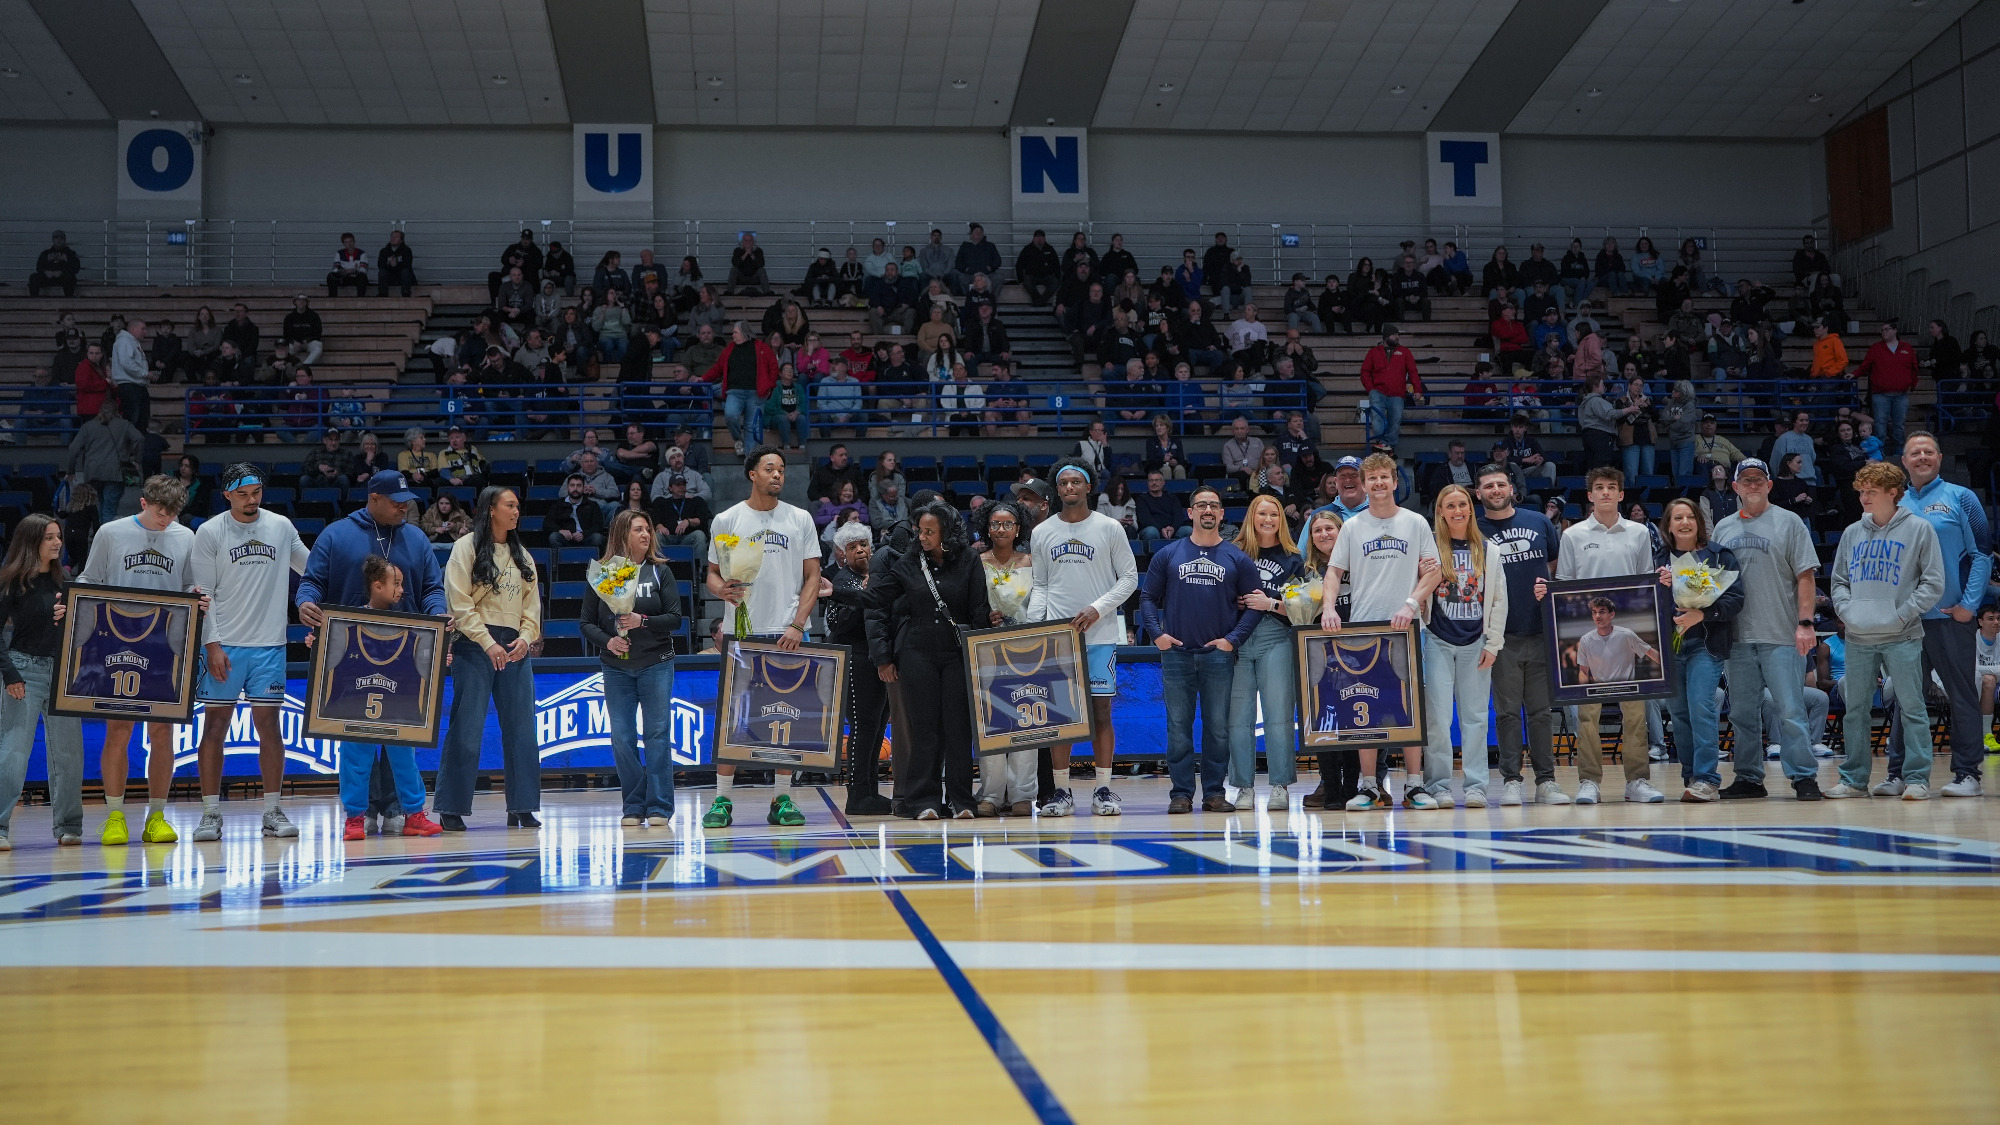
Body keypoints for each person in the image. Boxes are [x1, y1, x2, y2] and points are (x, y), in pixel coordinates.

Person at [76, 475, 202, 844]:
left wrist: (199, 596)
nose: (166, 520)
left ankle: (157, 817)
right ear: (144, 503)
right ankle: (115, 815)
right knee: (119, 729)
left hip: (165, 645)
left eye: (173, 513)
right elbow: (90, 578)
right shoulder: (111, 533)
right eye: (160, 512)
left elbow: (190, 588)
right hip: (115, 641)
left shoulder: (186, 537)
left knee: (163, 733)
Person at [187, 465, 311, 842]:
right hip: (225, 644)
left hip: (269, 645)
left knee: (270, 730)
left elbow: (312, 569)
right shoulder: (209, 532)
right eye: (243, 494)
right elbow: (202, 596)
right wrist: (212, 645)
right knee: (214, 729)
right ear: (227, 495)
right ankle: (210, 813)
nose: (251, 500)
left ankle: (272, 810)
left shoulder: (281, 526)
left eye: (256, 492)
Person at [703, 446, 822, 828]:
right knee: (734, 719)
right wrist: (721, 590)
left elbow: (814, 576)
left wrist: (799, 624)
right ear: (751, 474)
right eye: (769, 469)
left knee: (785, 719)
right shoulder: (726, 519)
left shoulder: (800, 518)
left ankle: (782, 798)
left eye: (782, 470)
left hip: (787, 632)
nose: (777, 475)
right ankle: (722, 801)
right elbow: (711, 574)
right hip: (742, 632)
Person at [1319, 453, 1441, 810]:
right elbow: (1333, 572)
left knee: (1409, 709)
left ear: (1394, 480)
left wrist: (1411, 603)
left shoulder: (1416, 522)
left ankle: (1415, 785)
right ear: (1364, 483)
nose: (1378, 484)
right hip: (1363, 626)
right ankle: (1369, 785)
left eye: (1384, 477)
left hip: (1405, 626)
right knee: (1365, 706)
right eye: (1371, 479)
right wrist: (1328, 608)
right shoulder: (1354, 527)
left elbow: (1434, 572)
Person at [854, 500, 990, 819]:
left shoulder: (969, 559)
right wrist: (835, 593)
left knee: (958, 728)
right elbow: (877, 597)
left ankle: (961, 800)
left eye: (930, 531)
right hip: (917, 651)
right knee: (924, 728)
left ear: (947, 533)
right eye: (920, 530)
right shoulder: (910, 561)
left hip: (957, 652)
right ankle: (923, 800)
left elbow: (979, 609)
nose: (923, 536)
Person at [1027, 461, 1141, 816]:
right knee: (1060, 716)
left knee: (1101, 711)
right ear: (1057, 490)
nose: (1070, 487)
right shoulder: (1042, 531)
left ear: (1088, 487)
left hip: (1101, 634)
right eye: (1064, 482)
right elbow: (1041, 586)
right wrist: (1036, 627)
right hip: (1058, 637)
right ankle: (1062, 791)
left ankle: (1103, 788)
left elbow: (1129, 579)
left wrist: (1097, 609)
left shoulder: (1109, 528)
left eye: (1077, 481)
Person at [1827, 460, 1946, 799]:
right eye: (1862, 491)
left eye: (1871, 492)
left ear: (1893, 493)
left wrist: (1902, 614)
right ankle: (1853, 780)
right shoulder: (1852, 533)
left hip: (1902, 634)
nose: (1864, 497)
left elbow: (1933, 583)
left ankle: (1917, 779)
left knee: (1912, 708)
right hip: (1858, 637)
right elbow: (1838, 582)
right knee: (1856, 711)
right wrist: (1848, 613)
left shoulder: (1920, 529)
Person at [1709, 458, 1825, 801]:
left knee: (1790, 710)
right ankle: (1748, 777)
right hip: (1737, 638)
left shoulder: (1790, 523)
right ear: (1736, 487)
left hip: (1781, 634)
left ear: (1770, 485)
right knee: (1743, 714)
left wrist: (1805, 623)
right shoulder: (1722, 528)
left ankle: (1804, 776)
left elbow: (1806, 577)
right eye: (1746, 480)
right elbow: (1712, 581)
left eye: (1759, 479)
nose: (1753, 485)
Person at [1142, 484, 1260, 814]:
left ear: (1222, 514)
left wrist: (1232, 640)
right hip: (1177, 654)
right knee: (1178, 729)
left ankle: (1214, 793)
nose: (1208, 510)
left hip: (1218, 657)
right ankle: (1180, 793)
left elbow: (1255, 605)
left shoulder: (1238, 558)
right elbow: (1148, 598)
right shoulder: (1168, 554)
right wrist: (1157, 635)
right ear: (1190, 512)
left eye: (1214, 505)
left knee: (1217, 730)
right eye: (1201, 505)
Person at [1889, 433, 1992, 796]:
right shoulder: (1894, 502)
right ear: (1904, 461)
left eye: (1928, 452)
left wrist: (1969, 604)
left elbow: (1981, 553)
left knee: (1962, 694)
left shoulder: (1962, 497)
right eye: (1914, 453)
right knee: (1907, 696)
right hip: (1906, 620)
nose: (1921, 457)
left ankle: (1968, 774)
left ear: (1940, 457)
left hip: (1951, 616)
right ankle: (1899, 773)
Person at [1553, 467, 1663, 803]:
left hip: (1627, 630)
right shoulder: (1572, 535)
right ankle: (1589, 781)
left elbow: (1646, 583)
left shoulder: (1638, 533)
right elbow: (1565, 586)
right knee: (1587, 714)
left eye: (1611, 487)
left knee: (1635, 713)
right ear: (1589, 495)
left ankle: (1637, 781)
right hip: (1588, 632)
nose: (1604, 493)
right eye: (1598, 487)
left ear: (1620, 494)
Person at [435, 486, 542, 831]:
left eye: (518, 506)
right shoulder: (464, 548)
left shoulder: (523, 555)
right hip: (473, 645)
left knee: (522, 730)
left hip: (515, 648)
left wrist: (526, 639)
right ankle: (451, 807)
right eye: (509, 505)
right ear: (491, 510)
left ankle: (522, 807)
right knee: (466, 729)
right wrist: (486, 641)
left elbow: (533, 608)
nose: (516, 511)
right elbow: (458, 602)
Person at [312, 556, 442, 841]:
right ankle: (355, 818)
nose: (401, 590)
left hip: (397, 706)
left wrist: (440, 651)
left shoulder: (412, 623)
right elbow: (330, 655)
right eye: (395, 584)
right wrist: (318, 642)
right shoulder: (346, 621)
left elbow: (423, 659)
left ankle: (414, 814)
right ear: (377, 585)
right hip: (357, 706)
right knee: (355, 759)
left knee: (405, 759)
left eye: (402, 584)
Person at [579, 512, 683, 828]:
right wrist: (609, 642)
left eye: (648, 529)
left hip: (657, 663)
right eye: (638, 529)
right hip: (616, 668)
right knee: (622, 737)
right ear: (623, 534)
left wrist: (643, 621)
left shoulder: (660, 572)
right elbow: (586, 623)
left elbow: (676, 618)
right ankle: (634, 804)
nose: (645, 534)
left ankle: (660, 806)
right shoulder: (604, 573)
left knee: (657, 735)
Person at [1420, 484, 1508, 808]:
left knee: (1475, 719)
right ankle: (1438, 785)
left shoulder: (1490, 550)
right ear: (1440, 511)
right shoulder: (1428, 547)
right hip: (1437, 640)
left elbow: (1498, 600)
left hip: (1476, 642)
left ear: (1471, 509)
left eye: (1462, 504)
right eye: (1450, 505)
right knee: (1438, 719)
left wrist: (1493, 643)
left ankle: (1476, 786)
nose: (1457, 510)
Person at [0, 515, 83, 850]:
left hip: (63, 675)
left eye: (59, 536)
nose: (57, 543)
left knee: (68, 755)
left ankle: (68, 826)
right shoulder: (11, 580)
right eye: (49, 537)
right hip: (24, 670)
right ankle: (1, 827)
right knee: (13, 753)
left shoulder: (65, 582)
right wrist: (10, 675)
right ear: (31, 540)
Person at [1656, 499, 1744, 803]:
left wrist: (1703, 614)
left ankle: (1708, 779)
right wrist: (1658, 586)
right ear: (1668, 525)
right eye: (1677, 517)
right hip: (1669, 647)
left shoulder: (1719, 556)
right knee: (1679, 714)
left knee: (1701, 708)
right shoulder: (1656, 559)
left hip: (1706, 645)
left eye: (1690, 516)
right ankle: (1691, 775)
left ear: (1699, 522)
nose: (1684, 522)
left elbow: (1735, 600)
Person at [1226, 494, 1302, 811]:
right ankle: (1243, 787)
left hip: (1276, 636)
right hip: (1239, 639)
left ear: (1281, 519)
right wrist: (1236, 602)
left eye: (1273, 514)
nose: (1268, 519)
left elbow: (1303, 610)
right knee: (1238, 719)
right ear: (1251, 517)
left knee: (1279, 717)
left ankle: (1280, 785)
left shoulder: (1294, 558)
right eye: (1262, 513)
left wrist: (1268, 603)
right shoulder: (1233, 552)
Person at [700, 322, 778, 458]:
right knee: (730, 415)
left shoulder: (762, 348)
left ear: (743, 332)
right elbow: (718, 368)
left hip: (756, 393)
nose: (732, 335)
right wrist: (703, 378)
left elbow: (773, 367)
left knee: (752, 427)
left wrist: (770, 386)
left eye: (735, 332)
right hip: (734, 392)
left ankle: (750, 459)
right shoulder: (730, 349)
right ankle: (737, 439)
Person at [65, 401, 142, 526]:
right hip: (115, 472)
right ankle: (106, 539)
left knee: (100, 506)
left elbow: (73, 448)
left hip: (93, 472)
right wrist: (136, 459)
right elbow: (139, 439)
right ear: (117, 411)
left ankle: (100, 535)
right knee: (109, 509)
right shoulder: (124, 425)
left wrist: (70, 470)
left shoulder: (88, 426)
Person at [1854, 322, 1919, 449]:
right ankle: (1879, 451)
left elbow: (1914, 368)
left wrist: (1913, 383)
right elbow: (1865, 366)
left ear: (1895, 330)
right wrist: (1854, 374)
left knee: (1899, 425)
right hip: (1881, 394)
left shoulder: (1907, 348)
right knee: (1880, 424)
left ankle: (1899, 450)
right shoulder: (1875, 348)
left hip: (1901, 394)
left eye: (1887, 329)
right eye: (1882, 330)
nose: (1884, 332)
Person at [1359, 325, 1423, 449]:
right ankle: (1384, 445)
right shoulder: (1373, 352)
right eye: (1395, 335)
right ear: (1386, 336)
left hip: (1397, 393)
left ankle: (1386, 446)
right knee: (1378, 420)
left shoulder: (1405, 352)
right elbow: (1365, 371)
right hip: (1378, 392)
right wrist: (1370, 388)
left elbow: (1413, 372)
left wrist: (1417, 389)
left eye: (1398, 335)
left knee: (1395, 421)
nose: (1397, 337)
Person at [547, 473, 606, 550]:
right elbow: (548, 523)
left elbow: (598, 525)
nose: (575, 488)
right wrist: (560, 531)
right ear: (567, 487)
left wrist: (583, 534)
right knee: (554, 537)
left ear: (583, 488)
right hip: (566, 539)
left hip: (586, 539)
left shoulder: (592, 505)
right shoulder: (558, 505)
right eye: (572, 485)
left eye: (579, 485)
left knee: (597, 538)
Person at [29, 229, 80, 296]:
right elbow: (39, 267)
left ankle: (68, 302)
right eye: (56, 238)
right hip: (48, 277)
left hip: (62, 278)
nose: (58, 240)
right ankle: (34, 302)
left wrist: (62, 272)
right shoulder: (45, 253)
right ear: (53, 240)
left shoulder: (71, 253)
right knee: (33, 277)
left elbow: (76, 268)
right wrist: (46, 272)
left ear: (64, 240)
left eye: (61, 238)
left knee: (70, 279)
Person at [376, 229, 415, 297]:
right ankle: (382, 294)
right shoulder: (384, 251)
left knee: (405, 271)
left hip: (401, 277)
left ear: (401, 240)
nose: (393, 238)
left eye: (396, 237)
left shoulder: (406, 250)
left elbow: (408, 264)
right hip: (390, 278)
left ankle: (406, 293)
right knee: (382, 272)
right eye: (392, 236)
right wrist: (389, 263)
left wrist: (396, 265)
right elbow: (380, 264)